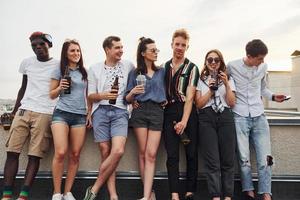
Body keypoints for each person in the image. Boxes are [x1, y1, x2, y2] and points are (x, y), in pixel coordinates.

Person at [1, 32, 59, 200]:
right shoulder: (26, 63)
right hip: (24, 110)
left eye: (41, 44)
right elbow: (23, 87)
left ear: (49, 45)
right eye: (34, 45)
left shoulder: (59, 65)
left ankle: (23, 196)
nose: (38, 47)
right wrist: (13, 111)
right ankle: (6, 195)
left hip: (45, 112)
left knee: (34, 155)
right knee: (12, 152)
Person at [227, 39, 286, 200]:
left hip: (259, 115)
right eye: (260, 58)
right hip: (239, 116)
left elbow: (263, 89)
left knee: (266, 157)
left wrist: (274, 97)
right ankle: (248, 189)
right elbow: (225, 87)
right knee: (244, 157)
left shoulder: (263, 67)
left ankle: (266, 192)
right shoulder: (232, 66)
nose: (262, 61)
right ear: (249, 56)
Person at [83, 36, 134, 200]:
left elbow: (140, 79)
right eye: (117, 47)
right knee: (106, 152)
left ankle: (95, 187)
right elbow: (90, 95)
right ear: (107, 50)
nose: (121, 50)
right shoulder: (95, 68)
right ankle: (113, 195)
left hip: (120, 111)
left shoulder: (128, 65)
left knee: (117, 151)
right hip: (101, 111)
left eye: (122, 47)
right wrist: (101, 96)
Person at [125, 37, 166, 200]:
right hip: (140, 111)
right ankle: (148, 195)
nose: (156, 53)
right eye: (152, 50)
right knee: (142, 153)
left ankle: (148, 194)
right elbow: (126, 99)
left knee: (151, 154)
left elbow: (168, 90)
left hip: (157, 112)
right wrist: (133, 92)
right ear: (143, 53)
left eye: (157, 50)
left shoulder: (162, 71)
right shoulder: (134, 73)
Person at [49, 39, 90, 200]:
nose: (76, 54)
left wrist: (89, 114)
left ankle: (67, 192)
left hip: (79, 116)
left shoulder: (84, 72)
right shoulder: (59, 70)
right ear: (66, 53)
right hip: (61, 113)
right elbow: (51, 94)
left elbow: (88, 96)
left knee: (75, 155)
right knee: (60, 152)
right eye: (72, 51)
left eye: (78, 51)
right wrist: (60, 87)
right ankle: (57, 192)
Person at [162, 29, 199, 200]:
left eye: (183, 45)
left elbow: (190, 98)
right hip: (169, 113)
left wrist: (184, 121)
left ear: (187, 47)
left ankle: (190, 191)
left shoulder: (192, 68)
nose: (180, 47)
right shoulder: (163, 67)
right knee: (172, 156)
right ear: (172, 44)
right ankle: (174, 194)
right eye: (177, 44)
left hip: (187, 112)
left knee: (191, 154)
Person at [195, 49, 236, 200]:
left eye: (216, 60)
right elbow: (198, 104)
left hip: (225, 116)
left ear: (221, 62)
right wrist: (210, 92)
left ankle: (228, 196)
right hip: (206, 117)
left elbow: (232, 103)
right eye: (210, 60)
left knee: (228, 159)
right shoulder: (200, 79)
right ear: (205, 62)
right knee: (212, 160)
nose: (213, 63)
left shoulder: (228, 78)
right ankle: (216, 196)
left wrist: (225, 84)